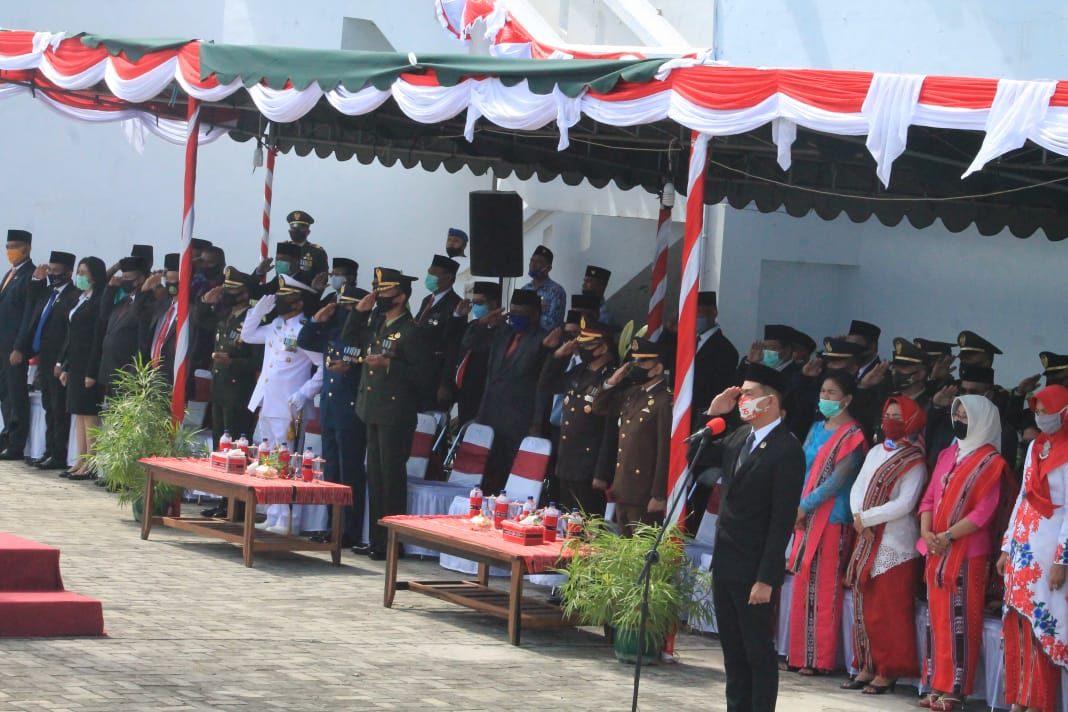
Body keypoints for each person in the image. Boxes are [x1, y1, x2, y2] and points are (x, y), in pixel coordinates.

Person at [702, 362, 806, 712]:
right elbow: (698, 458)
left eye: (748, 394)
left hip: (754, 568)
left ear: (770, 401)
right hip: (726, 562)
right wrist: (713, 415)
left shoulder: (786, 449)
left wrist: (766, 578)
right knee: (732, 651)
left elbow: (781, 521)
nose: (742, 400)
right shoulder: (738, 437)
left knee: (757, 651)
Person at [917, 395, 1010, 711]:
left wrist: (946, 536)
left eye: (965, 415)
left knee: (961, 620)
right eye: (956, 414)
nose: (958, 419)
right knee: (937, 619)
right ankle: (936, 683)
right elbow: (929, 498)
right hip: (936, 549)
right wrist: (927, 532)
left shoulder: (992, 463)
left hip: (968, 552)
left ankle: (956, 689)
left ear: (982, 420)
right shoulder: (948, 453)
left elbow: (984, 513)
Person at [843, 396, 927, 695]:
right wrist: (858, 517)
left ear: (912, 421)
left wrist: (866, 518)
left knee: (888, 610)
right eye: (888, 415)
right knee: (864, 607)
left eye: (898, 417)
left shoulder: (915, 461)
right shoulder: (876, 451)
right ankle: (866, 664)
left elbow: (905, 504)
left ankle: (888, 670)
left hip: (895, 544)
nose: (891, 421)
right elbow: (858, 487)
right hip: (866, 536)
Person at [786, 371, 868, 674]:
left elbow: (836, 482)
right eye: (823, 392)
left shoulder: (853, 435)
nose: (825, 398)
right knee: (801, 587)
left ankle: (820, 658)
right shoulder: (815, 428)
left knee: (824, 589)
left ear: (847, 399)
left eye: (832, 393)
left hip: (831, 517)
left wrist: (804, 506)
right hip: (803, 514)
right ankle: (799, 655)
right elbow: (800, 466)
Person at [341, 268, 424, 559]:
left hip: (395, 412)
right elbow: (349, 343)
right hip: (372, 409)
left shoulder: (412, 330)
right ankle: (377, 540)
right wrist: (358, 313)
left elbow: (422, 374)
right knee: (375, 478)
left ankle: (392, 543)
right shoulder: (377, 323)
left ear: (401, 296)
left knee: (391, 480)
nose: (379, 296)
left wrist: (389, 364)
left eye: (385, 291)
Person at [998, 384, 1068, 712]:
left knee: (1042, 624)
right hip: (1024, 546)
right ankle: (1020, 697)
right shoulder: (1035, 446)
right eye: (1037, 412)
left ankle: (1039, 701)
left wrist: (1062, 560)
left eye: (1047, 411)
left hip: (1050, 549)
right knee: (1019, 620)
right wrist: (1007, 545)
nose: (1041, 418)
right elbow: (1023, 497)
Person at [241, 275, 322, 535]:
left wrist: (303, 394)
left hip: (290, 407)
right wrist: (256, 312)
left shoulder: (304, 331)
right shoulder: (275, 326)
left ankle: (289, 520)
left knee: (288, 463)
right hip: (268, 402)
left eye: (285, 299)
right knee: (269, 460)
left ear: (298, 303)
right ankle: (273, 513)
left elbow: (323, 366)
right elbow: (247, 335)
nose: (279, 304)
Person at [299, 284, 368, 548]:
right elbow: (305, 341)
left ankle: (349, 530)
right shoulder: (333, 333)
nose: (343, 311)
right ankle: (332, 526)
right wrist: (316, 319)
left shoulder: (364, 336)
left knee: (349, 474)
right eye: (342, 306)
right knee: (331, 472)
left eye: (349, 306)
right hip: (329, 410)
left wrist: (351, 369)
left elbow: (366, 372)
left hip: (350, 412)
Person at [463, 288, 549, 494]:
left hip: (519, 419)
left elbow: (543, 387)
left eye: (521, 314)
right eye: (513, 313)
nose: (515, 318)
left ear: (534, 315)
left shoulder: (543, 340)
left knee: (509, 476)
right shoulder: (503, 333)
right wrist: (483, 323)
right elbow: (470, 343)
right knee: (485, 473)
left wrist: (537, 422)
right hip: (490, 414)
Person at [194, 268, 262, 515]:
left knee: (236, 448)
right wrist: (205, 301)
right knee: (221, 446)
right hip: (220, 390)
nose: (227, 295)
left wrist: (231, 362)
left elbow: (257, 362)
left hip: (238, 391)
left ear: (244, 294)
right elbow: (200, 320)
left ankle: (237, 505)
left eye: (232, 290)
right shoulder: (225, 317)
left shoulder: (253, 321)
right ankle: (224, 500)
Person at [591, 337, 672, 535]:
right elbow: (599, 406)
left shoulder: (664, 401)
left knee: (641, 547)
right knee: (624, 545)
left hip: (644, 492)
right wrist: (611, 382)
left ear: (657, 368)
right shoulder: (633, 393)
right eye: (634, 363)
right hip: (623, 488)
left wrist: (658, 494)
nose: (636, 368)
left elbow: (665, 451)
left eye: (642, 363)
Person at [539, 319, 615, 516]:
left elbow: (610, 432)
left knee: (585, 521)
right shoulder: (578, 371)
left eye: (587, 346)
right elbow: (546, 385)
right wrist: (557, 357)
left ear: (602, 348)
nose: (581, 350)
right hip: (567, 460)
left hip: (589, 466)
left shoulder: (611, 378)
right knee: (565, 519)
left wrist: (601, 473)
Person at [20, 251, 79, 470]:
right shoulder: (48, 293)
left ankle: (58, 453)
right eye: (50, 270)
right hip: (43, 358)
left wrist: (62, 363)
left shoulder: (74, 296)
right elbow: (31, 299)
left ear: (68, 273)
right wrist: (37, 279)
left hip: (57, 361)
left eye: (56, 271)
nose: (52, 274)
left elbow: (69, 334)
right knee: (48, 407)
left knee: (58, 408)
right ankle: (48, 450)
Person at [59, 257, 107, 480]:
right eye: (78, 272)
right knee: (78, 412)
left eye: (84, 272)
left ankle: (91, 461)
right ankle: (81, 458)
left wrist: (91, 371)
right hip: (76, 363)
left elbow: (96, 339)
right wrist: (65, 366)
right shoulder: (81, 298)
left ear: (94, 276)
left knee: (89, 413)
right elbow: (71, 336)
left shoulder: (98, 301)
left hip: (89, 363)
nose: (80, 276)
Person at [89, 256, 148, 396]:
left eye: (128, 278)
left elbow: (142, 344)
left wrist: (133, 374)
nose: (124, 281)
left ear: (140, 279)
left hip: (127, 373)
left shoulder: (145, 303)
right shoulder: (124, 301)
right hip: (110, 372)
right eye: (123, 277)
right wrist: (110, 289)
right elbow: (104, 314)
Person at [0, 229, 36, 459]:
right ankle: (6, 436)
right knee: (5, 394)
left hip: (14, 347)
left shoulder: (30, 276)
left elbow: (27, 316)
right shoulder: (10, 274)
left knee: (16, 395)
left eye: (15, 246)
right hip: (2, 345)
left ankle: (16, 444)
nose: (10, 250)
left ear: (27, 248)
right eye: (8, 246)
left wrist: (19, 347)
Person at [414, 254, 462, 411]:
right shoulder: (427, 300)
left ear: (448, 278)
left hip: (435, 376)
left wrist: (445, 383)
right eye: (429, 272)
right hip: (418, 371)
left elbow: (453, 345)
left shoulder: (455, 304)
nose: (429, 277)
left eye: (433, 273)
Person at [451, 281, 500, 426]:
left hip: (484, 393)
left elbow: (475, 345)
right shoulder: (474, 325)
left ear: (493, 304)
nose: (475, 307)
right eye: (474, 303)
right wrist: (458, 315)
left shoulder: (501, 331)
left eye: (480, 303)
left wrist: (482, 325)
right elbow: (456, 341)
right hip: (465, 392)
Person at [692, 291, 739, 425]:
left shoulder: (725, 349)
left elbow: (718, 389)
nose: (695, 317)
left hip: (704, 416)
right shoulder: (689, 342)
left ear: (713, 312)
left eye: (699, 313)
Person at [140, 253, 181, 385]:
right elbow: (139, 314)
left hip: (171, 376)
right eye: (168, 280)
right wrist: (146, 288)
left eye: (175, 281)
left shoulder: (190, 311)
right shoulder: (163, 304)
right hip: (152, 373)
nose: (171, 284)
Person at [520, 245, 566, 332]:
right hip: (523, 336)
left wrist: (533, 316)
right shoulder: (524, 289)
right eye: (532, 260)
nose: (533, 265)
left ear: (548, 268)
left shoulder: (556, 291)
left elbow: (554, 324)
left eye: (539, 262)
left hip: (544, 337)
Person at [283, 210, 329, 287]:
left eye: (300, 227)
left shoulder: (317, 252)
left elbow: (322, 279)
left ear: (308, 232)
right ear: (289, 231)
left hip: (307, 292)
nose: (296, 230)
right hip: (283, 292)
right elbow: (279, 276)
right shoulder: (284, 249)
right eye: (293, 227)